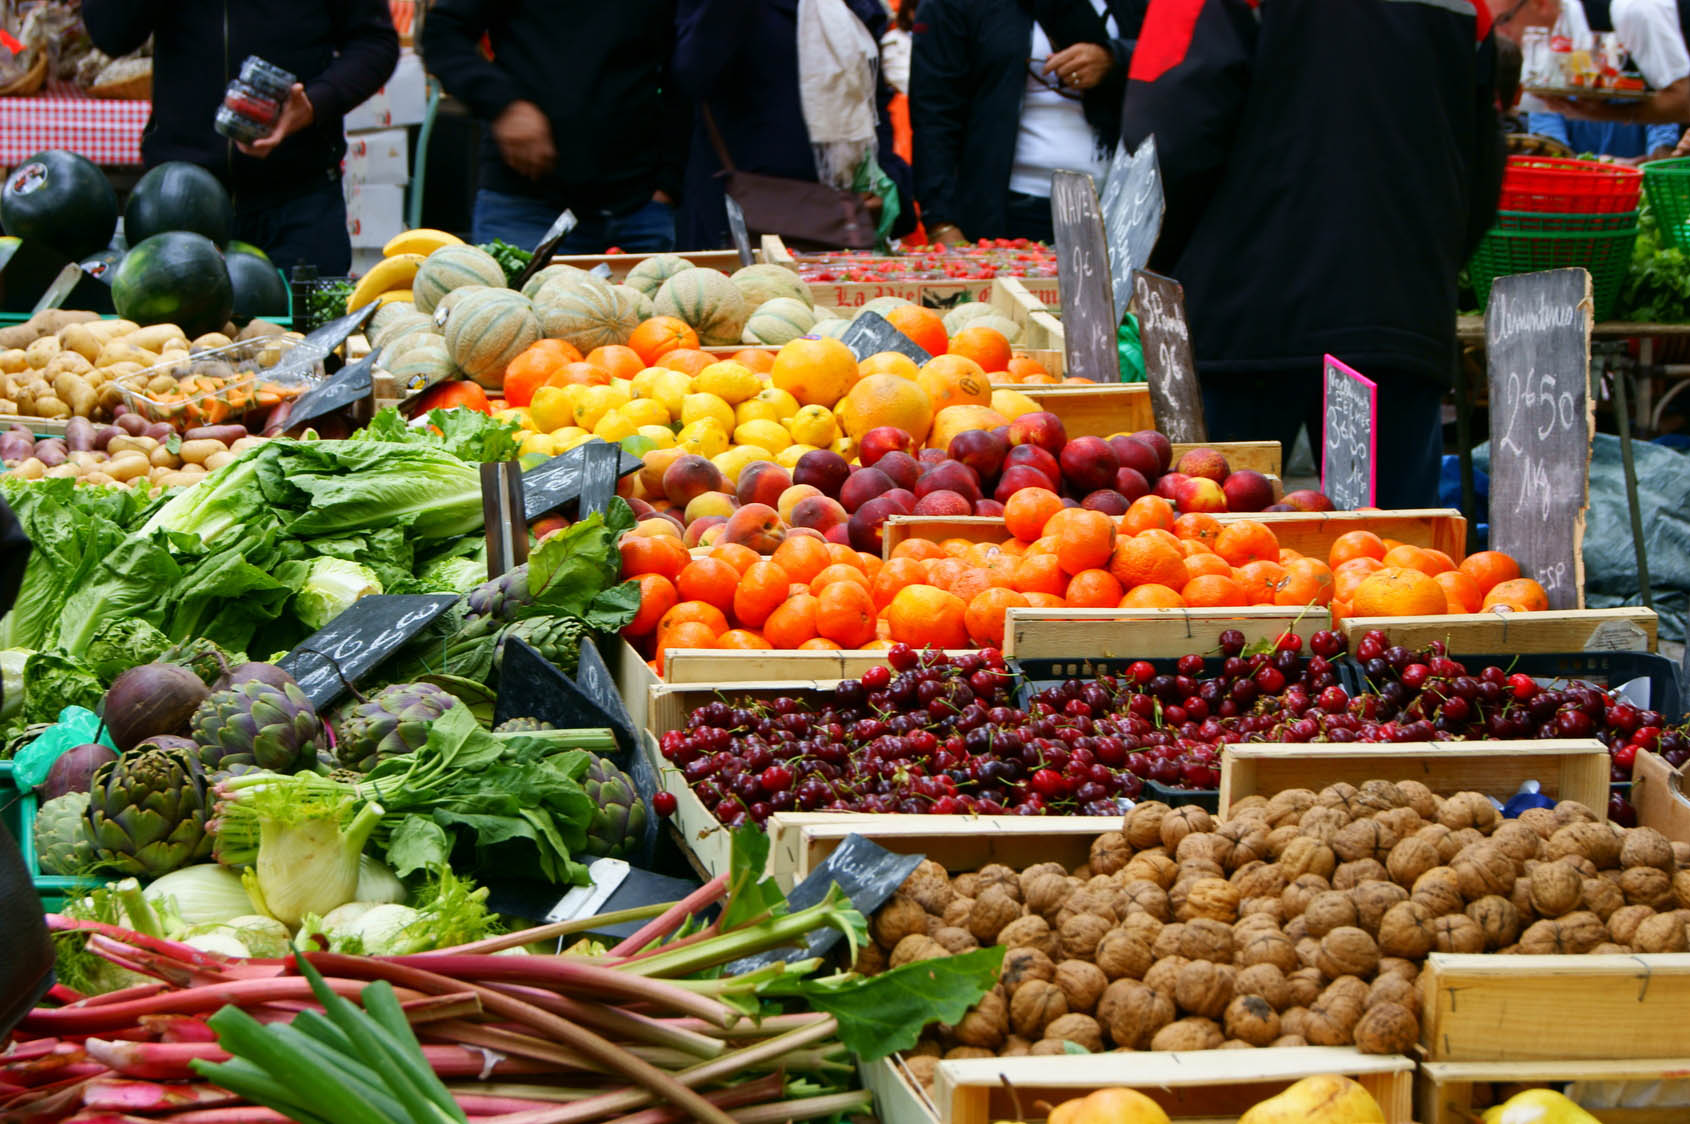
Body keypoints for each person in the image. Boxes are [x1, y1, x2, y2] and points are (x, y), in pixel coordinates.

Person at [1121, 0, 1504, 509]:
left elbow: (1164, 140)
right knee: (1396, 560)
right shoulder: (1467, 6)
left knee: (1215, 555)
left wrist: (1169, 263)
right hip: (1397, 313)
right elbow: (1484, 160)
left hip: (1242, 313)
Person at [82, 1, 398, 276]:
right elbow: (111, 34)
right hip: (177, 203)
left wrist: (314, 104)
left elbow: (375, 42)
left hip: (298, 202)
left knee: (303, 339)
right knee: (172, 344)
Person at [421, 0, 688, 253]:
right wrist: (504, 105)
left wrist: (669, 182)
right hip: (526, 204)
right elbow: (442, 34)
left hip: (640, 207)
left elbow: (689, 62)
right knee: (516, 302)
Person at [672, 0, 917, 250]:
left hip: (838, 218)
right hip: (741, 217)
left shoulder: (856, 6)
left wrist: (888, 184)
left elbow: (872, 103)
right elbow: (692, 74)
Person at [910, 0, 1145, 245]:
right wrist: (941, 222)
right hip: (1016, 208)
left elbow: (1171, 61)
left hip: (1119, 204)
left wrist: (1114, 58)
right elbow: (934, 113)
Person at [1491, 0, 1684, 156]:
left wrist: (1602, 113)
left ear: (1541, 3)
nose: (1500, 34)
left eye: (1504, 20)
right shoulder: (1557, 38)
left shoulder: (1633, 11)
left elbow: (1684, 101)